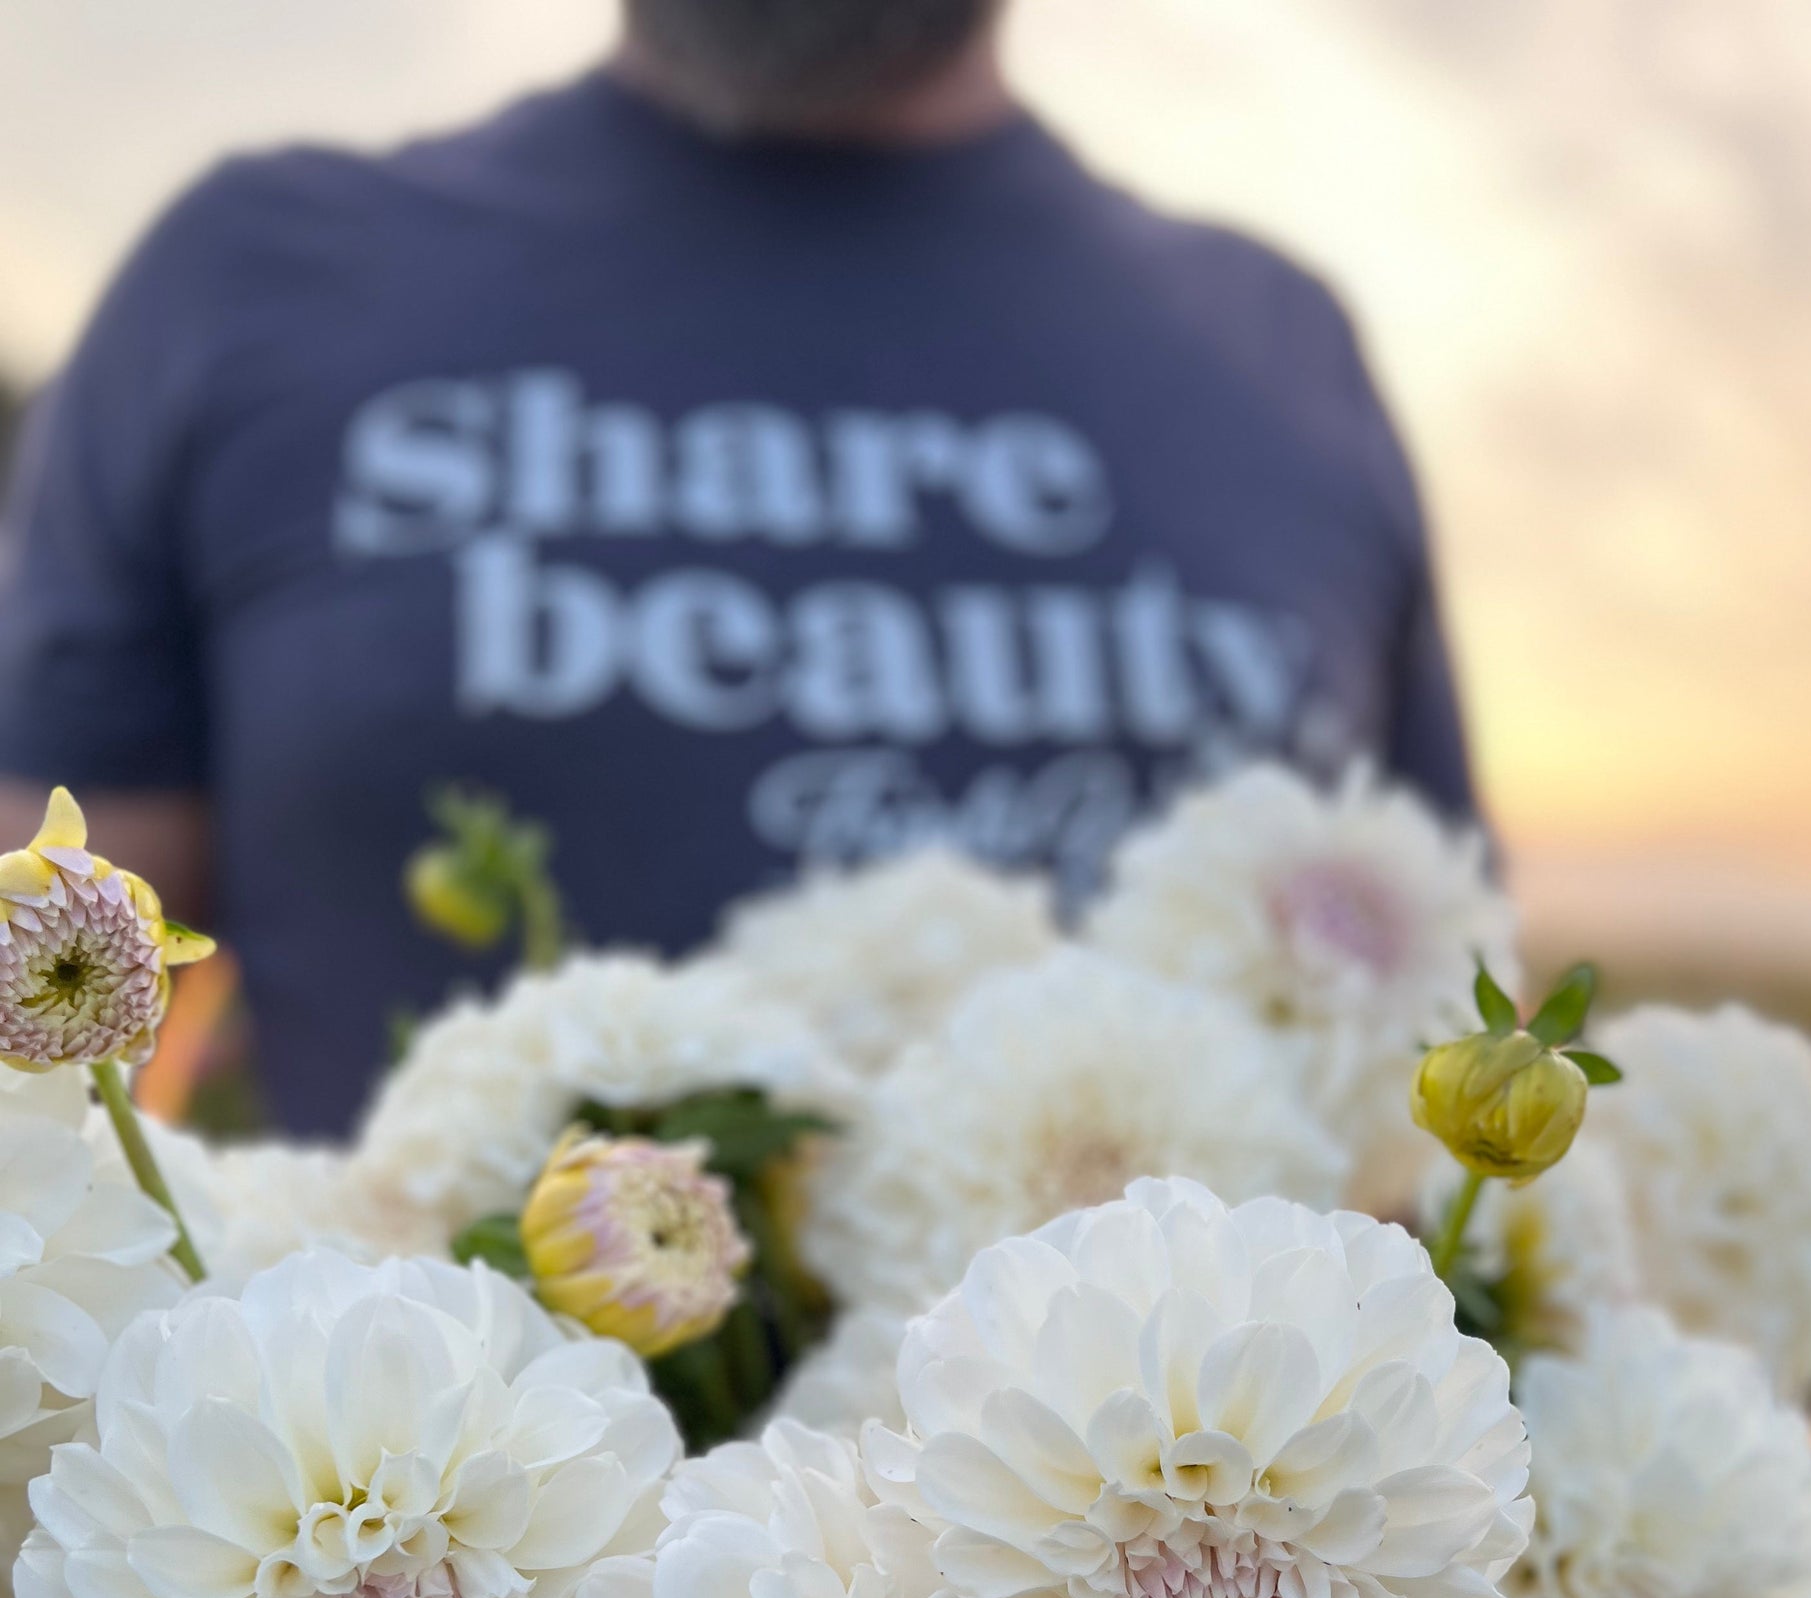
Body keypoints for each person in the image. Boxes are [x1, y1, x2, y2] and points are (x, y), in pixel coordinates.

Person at [0, 0, 1474, 1143]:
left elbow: (1444, 1081)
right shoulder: (256, 280)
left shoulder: (1281, 356)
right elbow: (39, 1088)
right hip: (396, 1507)